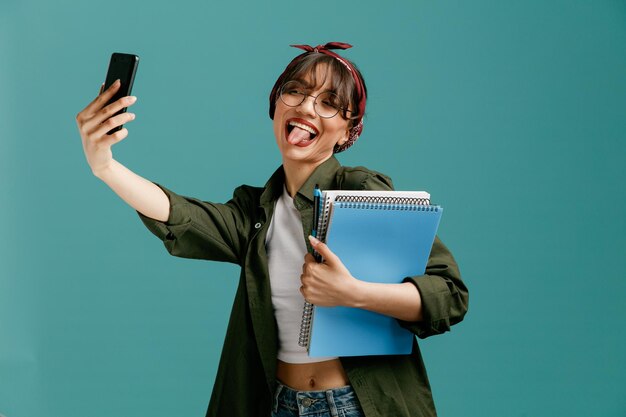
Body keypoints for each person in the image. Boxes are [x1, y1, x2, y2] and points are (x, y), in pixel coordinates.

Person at [76, 42, 469, 417]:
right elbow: (182, 214)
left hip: (354, 405)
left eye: (329, 103)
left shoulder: (360, 191)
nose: (307, 107)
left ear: (349, 131)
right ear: (276, 105)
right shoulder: (255, 211)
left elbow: (449, 295)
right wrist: (104, 165)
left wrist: (353, 293)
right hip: (278, 403)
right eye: (295, 91)